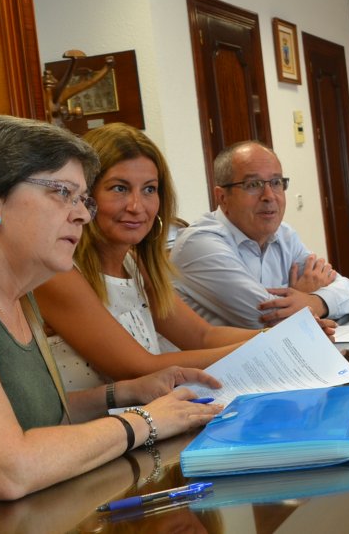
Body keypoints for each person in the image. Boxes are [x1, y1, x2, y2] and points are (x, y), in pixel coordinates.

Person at [0, 116, 221, 525]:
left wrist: (125, 392)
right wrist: (146, 421)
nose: (83, 216)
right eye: (62, 193)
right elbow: (7, 470)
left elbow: (33, 414)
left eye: (83, 199)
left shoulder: (18, 288)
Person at [35, 124, 259, 388]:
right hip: (91, 428)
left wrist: (280, 334)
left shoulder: (134, 264)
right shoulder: (57, 271)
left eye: (149, 189)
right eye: (119, 188)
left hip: (145, 421)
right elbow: (138, 368)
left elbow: (202, 336)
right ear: (85, 195)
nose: (136, 206)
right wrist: (266, 347)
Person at [171, 141, 349, 328]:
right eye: (254, 184)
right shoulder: (199, 244)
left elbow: (348, 290)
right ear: (222, 197)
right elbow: (268, 318)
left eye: (276, 183)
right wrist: (301, 296)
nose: (269, 196)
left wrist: (312, 300)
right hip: (215, 358)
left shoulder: (284, 235)